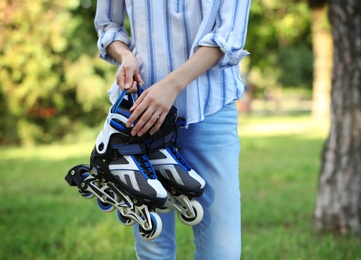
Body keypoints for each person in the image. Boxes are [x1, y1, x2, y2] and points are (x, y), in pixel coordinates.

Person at [94, 0, 250, 259]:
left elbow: (228, 34)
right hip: (142, 111)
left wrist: (172, 86)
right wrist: (126, 55)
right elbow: (108, 24)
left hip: (209, 109)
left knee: (222, 250)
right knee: (154, 247)